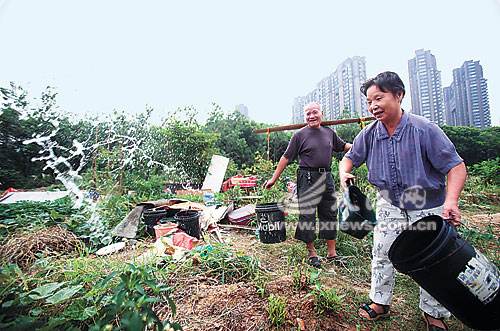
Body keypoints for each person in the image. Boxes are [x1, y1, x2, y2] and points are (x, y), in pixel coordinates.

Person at [338, 71, 466, 330]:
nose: (373, 105)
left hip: (427, 205)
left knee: (433, 260)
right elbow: (349, 157)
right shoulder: (370, 133)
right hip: (389, 203)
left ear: (398, 95)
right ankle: (380, 303)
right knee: (382, 252)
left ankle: (433, 313)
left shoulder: (425, 129)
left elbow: (456, 167)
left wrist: (451, 201)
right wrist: (344, 171)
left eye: (378, 98)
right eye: (369, 101)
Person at [264, 102, 352, 268]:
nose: (311, 116)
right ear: (304, 117)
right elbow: (286, 157)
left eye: (314, 112)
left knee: (330, 212)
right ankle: (312, 252)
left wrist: (363, 146)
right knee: (307, 214)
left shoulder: (329, 132)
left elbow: (344, 147)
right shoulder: (299, 135)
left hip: (326, 176)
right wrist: (273, 179)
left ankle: (332, 253)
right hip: (307, 177)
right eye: (308, 114)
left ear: (321, 113)